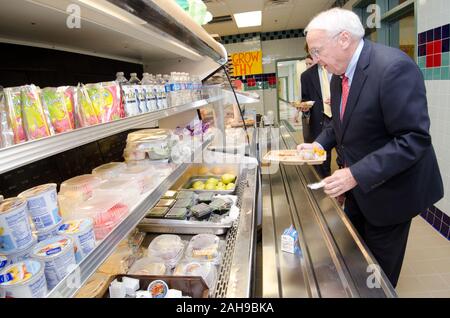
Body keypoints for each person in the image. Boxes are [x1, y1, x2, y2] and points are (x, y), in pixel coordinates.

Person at [298, 8, 443, 287]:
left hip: (392, 194)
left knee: (378, 277)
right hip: (360, 192)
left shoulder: (393, 68)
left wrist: (354, 174)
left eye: (318, 51)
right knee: (357, 258)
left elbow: (413, 138)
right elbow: (340, 123)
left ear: (343, 39)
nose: (316, 60)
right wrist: (317, 144)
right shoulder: (338, 77)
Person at [295, 46, 333, 177]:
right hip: (319, 120)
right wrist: (304, 107)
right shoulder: (306, 76)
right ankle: (323, 184)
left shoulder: (337, 68)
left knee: (345, 155)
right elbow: (305, 98)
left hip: (340, 118)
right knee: (321, 158)